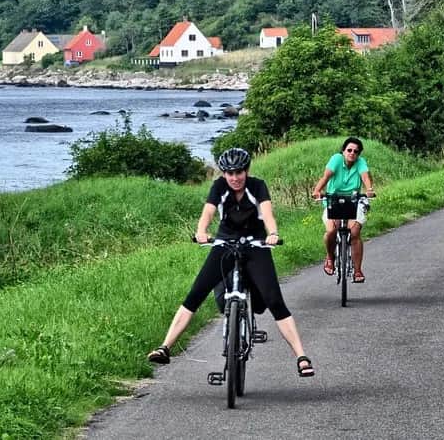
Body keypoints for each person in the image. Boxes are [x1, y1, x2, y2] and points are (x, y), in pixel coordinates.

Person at [146, 147, 315, 378]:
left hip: (255, 245)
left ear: (246, 171)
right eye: (229, 173)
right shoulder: (219, 187)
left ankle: (301, 357)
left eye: (239, 172)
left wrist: (272, 233)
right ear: (224, 173)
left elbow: (267, 214)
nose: (234, 178)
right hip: (224, 243)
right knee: (196, 293)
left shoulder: (257, 186)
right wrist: (201, 231)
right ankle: (164, 347)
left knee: (274, 300)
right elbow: (208, 212)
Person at [311, 137, 375, 283]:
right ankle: (330, 257)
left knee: (354, 232)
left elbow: (365, 177)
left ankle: (357, 270)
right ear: (343, 151)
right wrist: (317, 190)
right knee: (331, 231)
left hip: (354, 200)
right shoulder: (336, 159)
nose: (352, 153)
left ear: (359, 154)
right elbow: (326, 176)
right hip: (333, 199)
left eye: (356, 151)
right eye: (349, 150)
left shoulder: (360, 162)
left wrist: (369, 189)